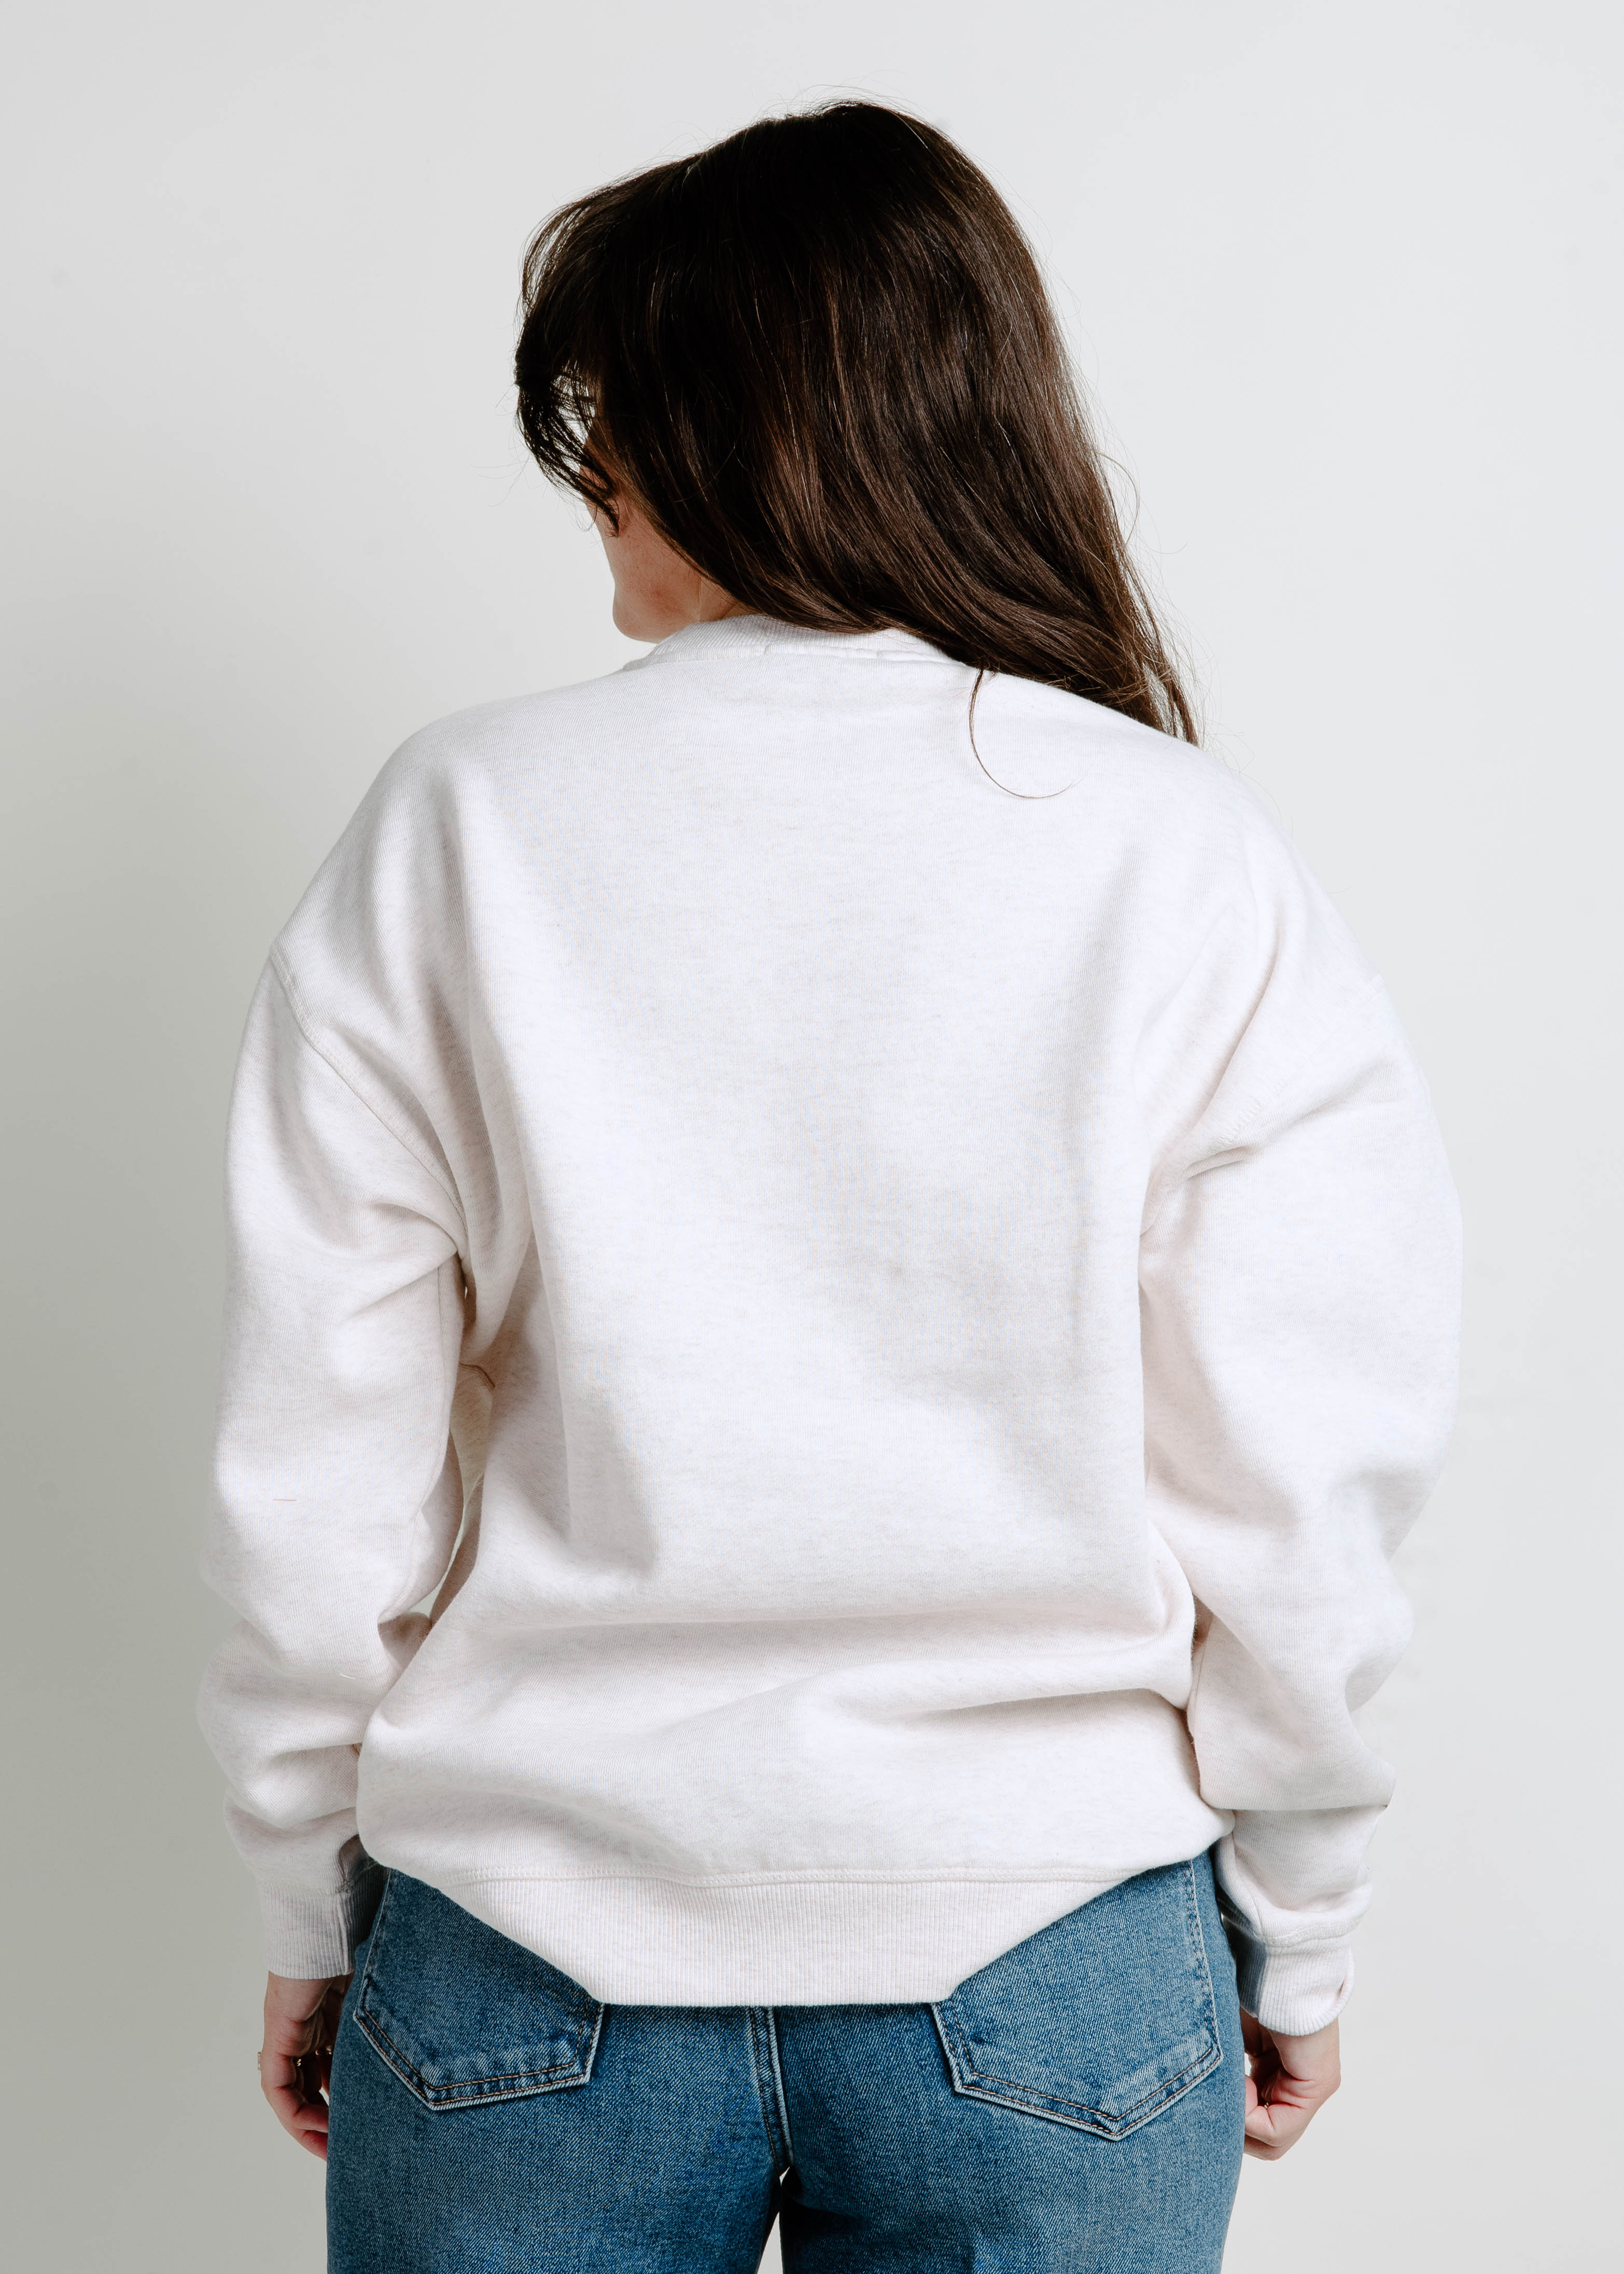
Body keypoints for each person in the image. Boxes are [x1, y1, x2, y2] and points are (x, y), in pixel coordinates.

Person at [199, 101, 1460, 2273]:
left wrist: (311, 1893)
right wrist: (1303, 1913)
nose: (592, 469)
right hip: (1056, 1950)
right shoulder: (1176, 850)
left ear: (757, 420)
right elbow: (1302, 1469)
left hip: (528, 1941)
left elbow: (315, 1464)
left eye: (613, 407)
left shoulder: (457, 827)